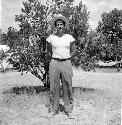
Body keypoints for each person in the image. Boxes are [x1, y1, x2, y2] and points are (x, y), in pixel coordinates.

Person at [46, 14, 77, 118]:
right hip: (54, 63)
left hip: (66, 63)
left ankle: (68, 109)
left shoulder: (69, 37)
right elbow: (49, 51)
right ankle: (53, 109)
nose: (59, 26)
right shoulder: (51, 38)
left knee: (67, 86)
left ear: (64, 26)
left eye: (61, 24)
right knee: (54, 87)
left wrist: (66, 58)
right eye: (57, 24)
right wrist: (55, 58)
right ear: (55, 26)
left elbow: (74, 51)